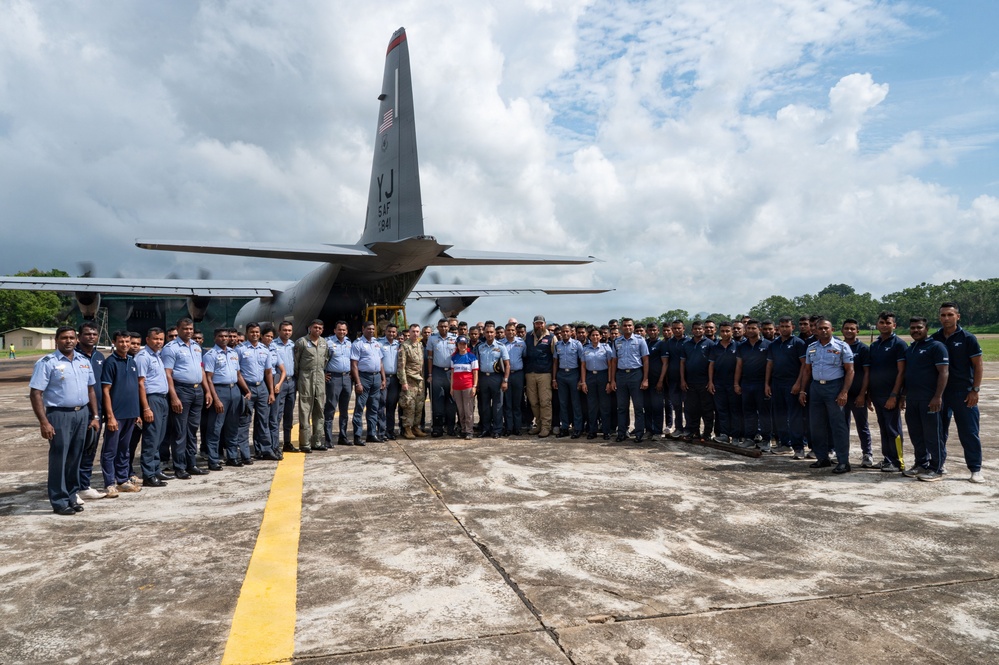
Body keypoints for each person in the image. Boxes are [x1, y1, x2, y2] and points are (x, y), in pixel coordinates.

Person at [28, 326, 100, 514]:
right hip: (59, 415)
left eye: (71, 338)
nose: (68, 341)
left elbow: (91, 389)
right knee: (60, 458)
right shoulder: (47, 362)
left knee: (75, 457)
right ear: (56, 341)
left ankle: (71, 496)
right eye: (64, 338)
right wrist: (44, 422)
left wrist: (95, 416)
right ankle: (59, 501)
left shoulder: (83, 361)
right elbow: (36, 393)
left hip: (82, 414)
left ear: (77, 340)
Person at [932, 302, 985, 483]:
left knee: (969, 432)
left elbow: (978, 365)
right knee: (939, 431)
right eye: (943, 315)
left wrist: (975, 390)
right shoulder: (935, 338)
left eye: (950, 315)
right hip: (941, 393)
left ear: (957, 316)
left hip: (963, 392)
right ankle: (940, 464)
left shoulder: (968, 338)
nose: (946, 318)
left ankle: (975, 468)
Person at [799, 317, 854, 473]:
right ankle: (822, 458)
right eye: (820, 328)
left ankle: (843, 462)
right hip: (816, 388)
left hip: (834, 388)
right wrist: (803, 390)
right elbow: (807, 371)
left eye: (826, 328)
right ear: (815, 330)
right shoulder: (811, 348)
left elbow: (850, 370)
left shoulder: (842, 346)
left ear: (832, 329)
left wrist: (844, 391)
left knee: (838, 426)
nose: (823, 330)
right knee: (816, 426)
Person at [161, 317, 211, 479]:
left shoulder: (196, 347)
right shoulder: (171, 348)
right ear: (178, 329)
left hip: (197, 391)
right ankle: (180, 466)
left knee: (192, 430)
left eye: (190, 329)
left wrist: (207, 391)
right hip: (181, 390)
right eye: (185, 329)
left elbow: (201, 371)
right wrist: (174, 396)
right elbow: (167, 373)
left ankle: (192, 463)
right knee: (180, 431)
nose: (188, 331)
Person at [902, 317, 949, 481]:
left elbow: (943, 372)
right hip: (913, 399)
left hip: (930, 399)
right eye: (912, 327)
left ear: (926, 328)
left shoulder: (936, 347)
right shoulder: (911, 348)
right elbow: (908, 375)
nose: (915, 330)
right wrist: (903, 396)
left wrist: (937, 396)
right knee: (916, 434)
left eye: (919, 327)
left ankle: (937, 468)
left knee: (932, 435)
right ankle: (921, 463)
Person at [100, 331, 142, 496]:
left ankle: (123, 480)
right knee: (110, 450)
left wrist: (137, 411)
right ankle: (109, 483)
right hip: (116, 415)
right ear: (114, 342)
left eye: (127, 341)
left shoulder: (132, 361)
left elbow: (134, 388)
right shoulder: (111, 362)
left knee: (124, 449)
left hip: (131, 413)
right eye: (121, 341)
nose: (125, 344)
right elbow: (106, 390)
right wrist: (110, 416)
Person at [204, 328, 252, 467]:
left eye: (226, 336)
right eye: (221, 336)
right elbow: (208, 378)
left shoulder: (233, 353)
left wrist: (246, 390)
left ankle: (232, 457)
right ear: (215, 338)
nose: (224, 338)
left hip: (234, 390)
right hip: (220, 390)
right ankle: (213, 459)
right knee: (215, 427)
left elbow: (238, 375)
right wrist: (216, 399)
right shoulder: (211, 354)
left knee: (233, 426)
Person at [868, 311, 907, 472]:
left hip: (890, 395)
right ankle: (887, 458)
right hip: (877, 394)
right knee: (883, 427)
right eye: (882, 323)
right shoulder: (875, 345)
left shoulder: (898, 344)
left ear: (894, 325)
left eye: (888, 323)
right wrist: (869, 394)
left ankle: (898, 462)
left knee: (893, 428)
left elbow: (901, 372)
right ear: (877, 325)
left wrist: (895, 395)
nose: (884, 326)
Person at [765, 316, 807, 457]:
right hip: (777, 383)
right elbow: (769, 365)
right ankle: (784, 444)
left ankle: (798, 447)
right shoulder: (774, 345)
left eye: (787, 326)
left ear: (792, 327)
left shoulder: (798, 343)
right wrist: (767, 384)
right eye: (782, 326)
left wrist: (798, 384)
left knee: (794, 417)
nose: (784, 329)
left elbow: (804, 365)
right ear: (778, 328)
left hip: (792, 383)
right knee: (779, 416)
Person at [135, 327, 172, 486]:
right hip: (152, 400)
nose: (159, 342)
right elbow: (140, 383)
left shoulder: (158, 356)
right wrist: (146, 408)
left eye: (161, 339)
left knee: (159, 437)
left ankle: (156, 469)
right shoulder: (143, 357)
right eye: (155, 339)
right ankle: (149, 474)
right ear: (148, 340)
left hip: (162, 399)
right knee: (151, 438)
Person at [75, 322, 107, 501]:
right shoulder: (74, 356)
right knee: (76, 449)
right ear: (79, 336)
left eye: (94, 334)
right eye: (87, 334)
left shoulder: (99, 356)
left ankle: (84, 485)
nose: (91, 337)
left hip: (97, 410)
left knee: (90, 448)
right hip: (80, 409)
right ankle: (72, 487)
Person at [237, 323, 278, 461]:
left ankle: (265, 449)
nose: (254, 334)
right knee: (245, 421)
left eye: (257, 332)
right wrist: (246, 390)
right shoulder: (240, 349)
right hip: (246, 388)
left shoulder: (264, 350)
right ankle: (244, 453)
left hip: (262, 388)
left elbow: (268, 372)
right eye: (252, 332)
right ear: (247, 333)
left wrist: (271, 392)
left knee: (263, 420)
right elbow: (237, 373)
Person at [840, 319, 873, 467]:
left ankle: (867, 454)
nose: (849, 331)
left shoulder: (863, 349)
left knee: (862, 425)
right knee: (842, 426)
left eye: (852, 329)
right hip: (842, 394)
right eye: (846, 328)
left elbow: (867, 373)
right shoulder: (838, 347)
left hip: (857, 394)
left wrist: (862, 394)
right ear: (842, 330)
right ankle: (842, 454)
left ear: (857, 331)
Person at [610, 318, 649, 443]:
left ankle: (639, 433)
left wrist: (645, 379)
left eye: (629, 325)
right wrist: (612, 380)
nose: (627, 327)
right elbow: (614, 362)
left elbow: (645, 360)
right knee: (621, 407)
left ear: (633, 327)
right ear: (621, 327)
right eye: (625, 326)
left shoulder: (640, 340)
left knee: (638, 407)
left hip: (636, 374)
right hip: (621, 375)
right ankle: (622, 432)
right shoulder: (616, 341)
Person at [734, 319, 771, 451]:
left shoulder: (768, 345)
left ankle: (766, 440)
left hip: (761, 384)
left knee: (764, 413)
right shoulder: (742, 346)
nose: (750, 331)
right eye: (748, 328)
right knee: (748, 412)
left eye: (753, 328)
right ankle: (749, 438)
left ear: (759, 329)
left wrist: (767, 384)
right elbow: (739, 366)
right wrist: (736, 383)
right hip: (746, 383)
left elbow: (769, 366)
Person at [293, 319, 329, 453]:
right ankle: (305, 443)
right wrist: (300, 378)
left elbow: (325, 359)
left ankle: (317, 441)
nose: (317, 330)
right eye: (315, 327)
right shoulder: (301, 342)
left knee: (319, 409)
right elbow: (296, 362)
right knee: (305, 410)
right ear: (310, 328)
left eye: (320, 328)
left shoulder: (324, 343)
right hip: (306, 377)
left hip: (319, 377)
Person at [351, 321, 386, 444]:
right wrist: (358, 382)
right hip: (364, 377)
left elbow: (380, 362)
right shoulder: (358, 344)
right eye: (369, 329)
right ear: (363, 329)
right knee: (360, 407)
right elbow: (354, 365)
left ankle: (372, 434)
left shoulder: (376, 343)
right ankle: (357, 435)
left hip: (376, 377)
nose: (371, 331)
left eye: (373, 329)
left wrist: (383, 378)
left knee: (374, 407)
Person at [680, 321, 715, 442]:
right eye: (695, 329)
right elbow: (682, 363)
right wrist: (683, 380)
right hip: (690, 382)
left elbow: (711, 364)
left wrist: (710, 381)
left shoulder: (710, 344)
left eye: (700, 329)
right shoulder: (686, 344)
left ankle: (707, 433)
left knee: (707, 409)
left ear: (703, 330)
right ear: (692, 330)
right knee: (691, 409)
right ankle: (693, 431)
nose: (698, 331)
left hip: (704, 382)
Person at [524, 315, 557, 438]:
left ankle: (545, 427)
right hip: (530, 374)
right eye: (537, 323)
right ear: (533, 324)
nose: (539, 326)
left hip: (544, 374)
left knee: (545, 402)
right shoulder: (527, 336)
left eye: (541, 323)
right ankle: (538, 425)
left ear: (544, 324)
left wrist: (554, 377)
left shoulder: (551, 337)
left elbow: (555, 359)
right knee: (533, 402)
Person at [707, 322, 739, 444]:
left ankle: (736, 436)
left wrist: (737, 383)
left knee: (734, 410)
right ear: (719, 332)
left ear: (732, 331)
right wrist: (710, 382)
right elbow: (711, 366)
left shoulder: (738, 346)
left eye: (727, 331)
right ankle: (724, 435)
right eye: (723, 331)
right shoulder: (715, 347)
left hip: (733, 383)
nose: (725, 333)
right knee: (722, 410)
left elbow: (740, 366)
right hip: (719, 383)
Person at [476, 322, 510, 438]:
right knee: (484, 406)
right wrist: (477, 382)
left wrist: (505, 380)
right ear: (484, 333)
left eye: (491, 332)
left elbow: (507, 365)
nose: (489, 334)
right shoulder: (480, 347)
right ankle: (485, 429)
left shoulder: (501, 346)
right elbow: (477, 365)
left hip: (496, 378)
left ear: (495, 333)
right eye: (487, 332)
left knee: (497, 406)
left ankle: (497, 430)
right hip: (483, 378)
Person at [581, 327, 615, 440]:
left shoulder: (606, 348)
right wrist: (583, 382)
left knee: (605, 406)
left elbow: (610, 365)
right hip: (590, 376)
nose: (595, 337)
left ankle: (606, 431)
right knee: (592, 406)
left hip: (603, 376)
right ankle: (592, 430)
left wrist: (609, 381)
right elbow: (583, 366)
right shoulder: (585, 349)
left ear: (601, 336)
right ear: (589, 337)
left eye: (597, 335)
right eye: (593, 335)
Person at [324, 320, 353, 448]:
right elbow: (321, 359)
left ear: (346, 331)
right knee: (330, 408)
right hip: (333, 378)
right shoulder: (328, 343)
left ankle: (343, 436)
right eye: (339, 329)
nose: (342, 332)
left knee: (344, 410)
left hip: (346, 378)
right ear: (335, 330)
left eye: (344, 330)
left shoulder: (349, 343)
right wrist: (323, 373)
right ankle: (328, 439)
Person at [427, 318, 458, 437]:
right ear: (438, 327)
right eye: (441, 326)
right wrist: (430, 374)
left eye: (445, 326)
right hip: (437, 371)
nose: (443, 328)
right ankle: (437, 428)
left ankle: (451, 428)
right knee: (437, 401)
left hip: (451, 372)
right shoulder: (432, 339)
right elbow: (430, 358)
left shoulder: (454, 339)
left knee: (451, 402)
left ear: (448, 327)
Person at [554, 323, 584, 438]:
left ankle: (577, 428)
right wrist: (554, 378)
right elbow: (555, 362)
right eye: (563, 332)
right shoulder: (558, 345)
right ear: (560, 333)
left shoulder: (577, 344)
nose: (565, 333)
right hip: (561, 375)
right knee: (563, 403)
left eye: (567, 331)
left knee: (575, 403)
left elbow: (582, 363)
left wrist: (581, 379)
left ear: (572, 332)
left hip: (574, 374)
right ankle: (565, 427)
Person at [398, 323, 428, 439]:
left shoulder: (420, 345)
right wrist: (404, 382)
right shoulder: (405, 346)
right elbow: (401, 366)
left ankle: (416, 427)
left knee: (419, 405)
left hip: (420, 381)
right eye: (413, 331)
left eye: (417, 331)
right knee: (409, 405)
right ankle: (407, 429)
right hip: (409, 380)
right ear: (409, 333)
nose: (415, 334)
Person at [273, 321, 297, 452]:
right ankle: (275, 444)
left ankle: (287, 442)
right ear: (279, 330)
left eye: (289, 330)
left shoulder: (293, 345)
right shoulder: (273, 345)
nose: (287, 332)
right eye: (284, 330)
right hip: (279, 383)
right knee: (277, 414)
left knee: (289, 414)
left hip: (292, 382)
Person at [450, 336, 479, 439]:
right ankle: (463, 429)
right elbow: (452, 373)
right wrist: (451, 387)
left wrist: (474, 386)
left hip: (468, 386)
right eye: (460, 344)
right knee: (461, 410)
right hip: (457, 387)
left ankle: (469, 431)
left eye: (464, 344)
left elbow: (475, 373)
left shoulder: (472, 357)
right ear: (457, 345)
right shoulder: (454, 357)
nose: (462, 346)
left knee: (468, 410)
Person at [501, 322, 527, 435]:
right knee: (507, 404)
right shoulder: (501, 344)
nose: (511, 332)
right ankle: (508, 428)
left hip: (518, 375)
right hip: (505, 376)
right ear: (505, 331)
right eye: (508, 330)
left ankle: (517, 428)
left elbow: (525, 357)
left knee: (517, 403)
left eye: (513, 330)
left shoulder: (522, 343)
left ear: (515, 331)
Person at [378, 323, 402, 440]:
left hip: (395, 379)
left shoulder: (399, 345)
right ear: (385, 331)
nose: (391, 334)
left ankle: (390, 431)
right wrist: (382, 378)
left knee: (392, 405)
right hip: (384, 378)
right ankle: (381, 431)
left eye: (393, 332)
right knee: (381, 405)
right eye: (389, 331)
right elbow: (379, 362)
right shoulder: (379, 343)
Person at [666, 320, 689, 439]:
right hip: (673, 379)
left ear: (683, 329)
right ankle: (678, 428)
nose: (677, 330)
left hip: (687, 379)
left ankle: (689, 428)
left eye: (679, 328)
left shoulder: (689, 342)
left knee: (689, 405)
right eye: (674, 328)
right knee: (676, 405)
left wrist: (684, 379)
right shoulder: (669, 343)